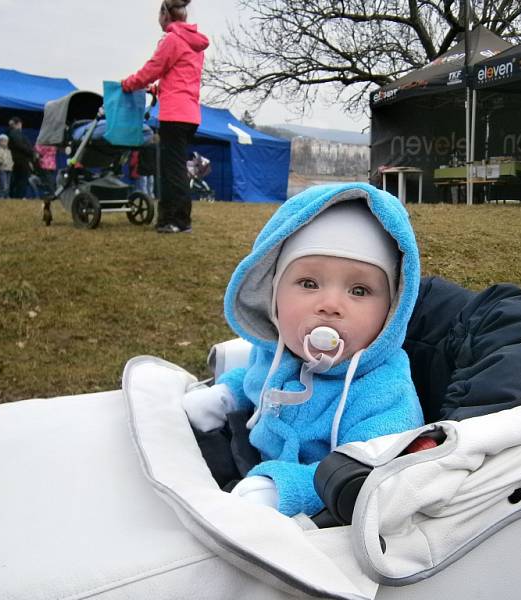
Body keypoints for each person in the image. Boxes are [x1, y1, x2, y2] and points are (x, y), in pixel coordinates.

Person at [182, 183, 424, 516]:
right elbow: (258, 379)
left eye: (359, 290)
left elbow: (368, 471)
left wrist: (285, 489)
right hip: (252, 457)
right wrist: (228, 394)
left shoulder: (384, 393)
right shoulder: (279, 350)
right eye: (309, 284)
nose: (330, 305)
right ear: (274, 294)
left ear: (392, 311)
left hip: (316, 504)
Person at [121, 0, 209, 234]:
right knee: (177, 167)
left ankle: (174, 221)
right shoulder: (195, 45)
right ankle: (181, 218)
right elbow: (180, 79)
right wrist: (158, 90)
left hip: (174, 115)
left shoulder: (173, 40)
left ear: (165, 14)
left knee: (171, 170)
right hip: (190, 114)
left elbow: (152, 69)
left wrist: (128, 84)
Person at [7, 116, 35, 198]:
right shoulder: (15, 133)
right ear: (18, 124)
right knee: (21, 180)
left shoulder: (12, 133)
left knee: (17, 179)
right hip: (21, 160)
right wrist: (31, 152)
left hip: (18, 160)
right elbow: (21, 145)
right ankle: (18, 197)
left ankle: (15, 196)